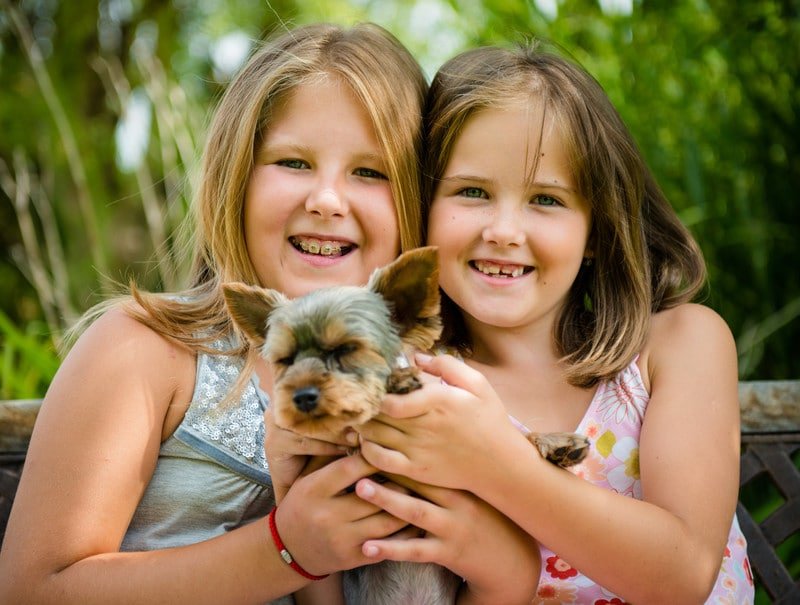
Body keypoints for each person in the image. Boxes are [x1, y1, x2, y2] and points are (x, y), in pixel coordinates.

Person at [0, 23, 539, 605]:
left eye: (369, 172)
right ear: (237, 177)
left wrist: (502, 564)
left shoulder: (431, 382)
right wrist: (285, 550)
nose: (326, 200)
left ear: (416, 197)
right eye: (293, 162)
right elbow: (33, 588)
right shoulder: (147, 349)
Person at [352, 41, 755, 604]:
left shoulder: (678, 346)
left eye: (546, 199)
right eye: (472, 191)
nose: (505, 230)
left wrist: (498, 464)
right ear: (422, 208)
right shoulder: (416, 387)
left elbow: (682, 577)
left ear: (597, 229)